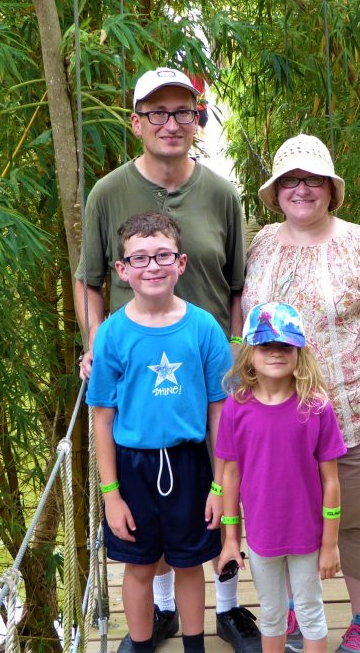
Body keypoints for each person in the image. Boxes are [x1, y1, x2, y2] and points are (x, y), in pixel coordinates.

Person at [73, 68, 259, 653]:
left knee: (219, 487)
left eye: (183, 112)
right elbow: (90, 281)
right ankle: (157, 618)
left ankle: (226, 608)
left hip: (210, 365)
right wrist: (98, 344)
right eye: (156, 113)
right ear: (137, 123)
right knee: (150, 514)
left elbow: (236, 287)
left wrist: (236, 356)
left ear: (198, 120)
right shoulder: (108, 193)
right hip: (135, 365)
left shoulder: (222, 194)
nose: (170, 123)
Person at [242, 135, 360, 653]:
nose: (301, 189)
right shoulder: (261, 244)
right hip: (279, 420)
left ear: (331, 189)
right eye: (290, 180)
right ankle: (293, 614)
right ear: (276, 191)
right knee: (285, 516)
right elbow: (244, 324)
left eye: (312, 180)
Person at [87, 212, 231, 653]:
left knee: (189, 564)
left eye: (163, 255)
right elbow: (103, 418)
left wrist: (219, 485)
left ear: (181, 263)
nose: (153, 266)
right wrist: (111, 495)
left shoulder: (204, 328)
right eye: (140, 258)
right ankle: (142, 642)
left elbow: (220, 413)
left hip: (189, 463)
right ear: (122, 269)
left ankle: (194, 645)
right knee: (139, 565)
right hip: (133, 467)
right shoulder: (110, 335)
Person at [216, 302, 347, 653]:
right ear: (249, 353)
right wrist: (231, 539)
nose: (275, 353)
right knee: (272, 614)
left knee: (310, 611)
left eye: (285, 346)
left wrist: (330, 544)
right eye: (264, 345)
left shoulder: (317, 408)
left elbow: (331, 480)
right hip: (261, 535)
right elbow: (230, 474)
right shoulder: (236, 408)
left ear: (299, 351)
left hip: (307, 534)